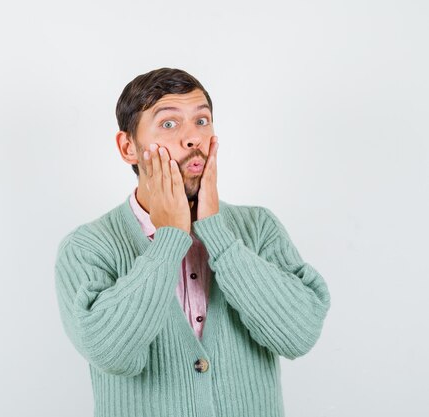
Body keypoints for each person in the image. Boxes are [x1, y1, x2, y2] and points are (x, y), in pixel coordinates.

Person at [54, 67, 331, 417]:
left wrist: (215, 233)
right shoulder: (87, 247)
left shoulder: (258, 226)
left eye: (202, 121)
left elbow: (299, 334)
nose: (193, 138)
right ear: (128, 147)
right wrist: (170, 240)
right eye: (169, 124)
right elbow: (112, 352)